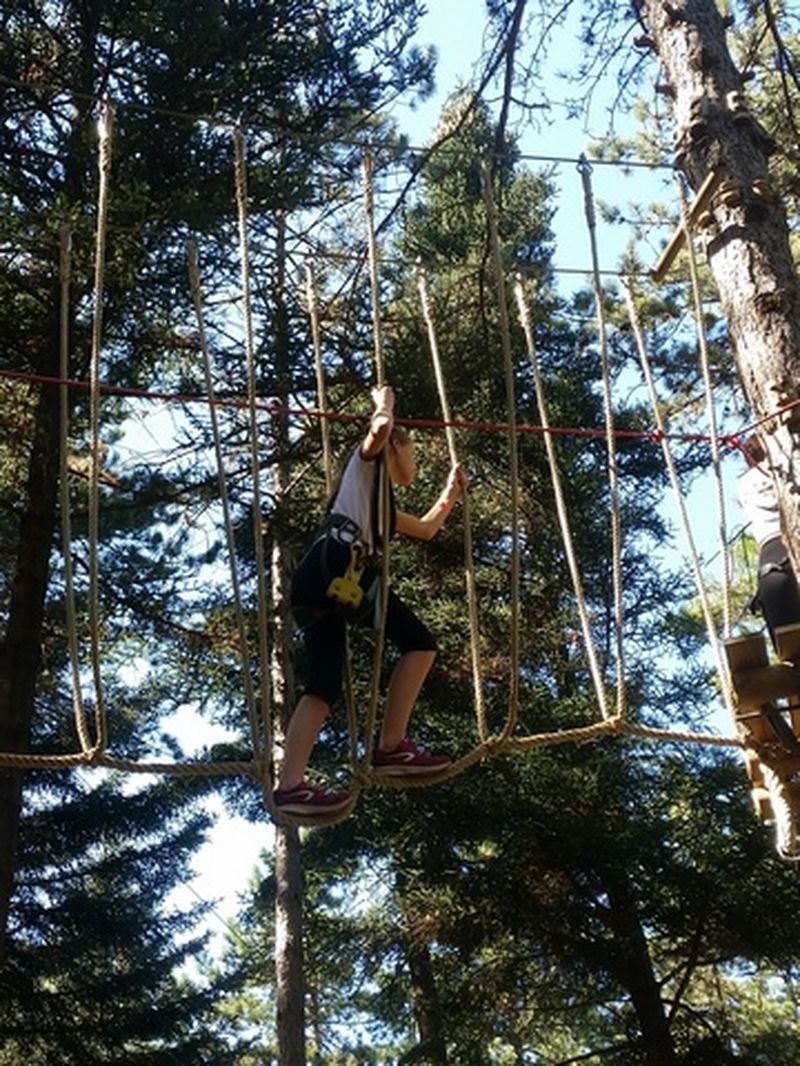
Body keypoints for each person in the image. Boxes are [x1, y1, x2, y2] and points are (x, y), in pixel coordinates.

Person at [273, 385, 468, 816]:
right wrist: (385, 409)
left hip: (322, 581)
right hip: (338, 567)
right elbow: (378, 429)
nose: (414, 459)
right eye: (411, 447)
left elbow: (427, 529)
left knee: (323, 685)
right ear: (396, 447)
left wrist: (450, 495)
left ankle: (290, 787)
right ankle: (392, 746)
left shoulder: (375, 505)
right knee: (420, 644)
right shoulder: (364, 470)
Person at [737, 434, 800, 648]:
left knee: (791, 652)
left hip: (771, 569)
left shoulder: (744, 485)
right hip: (791, 542)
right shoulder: (787, 463)